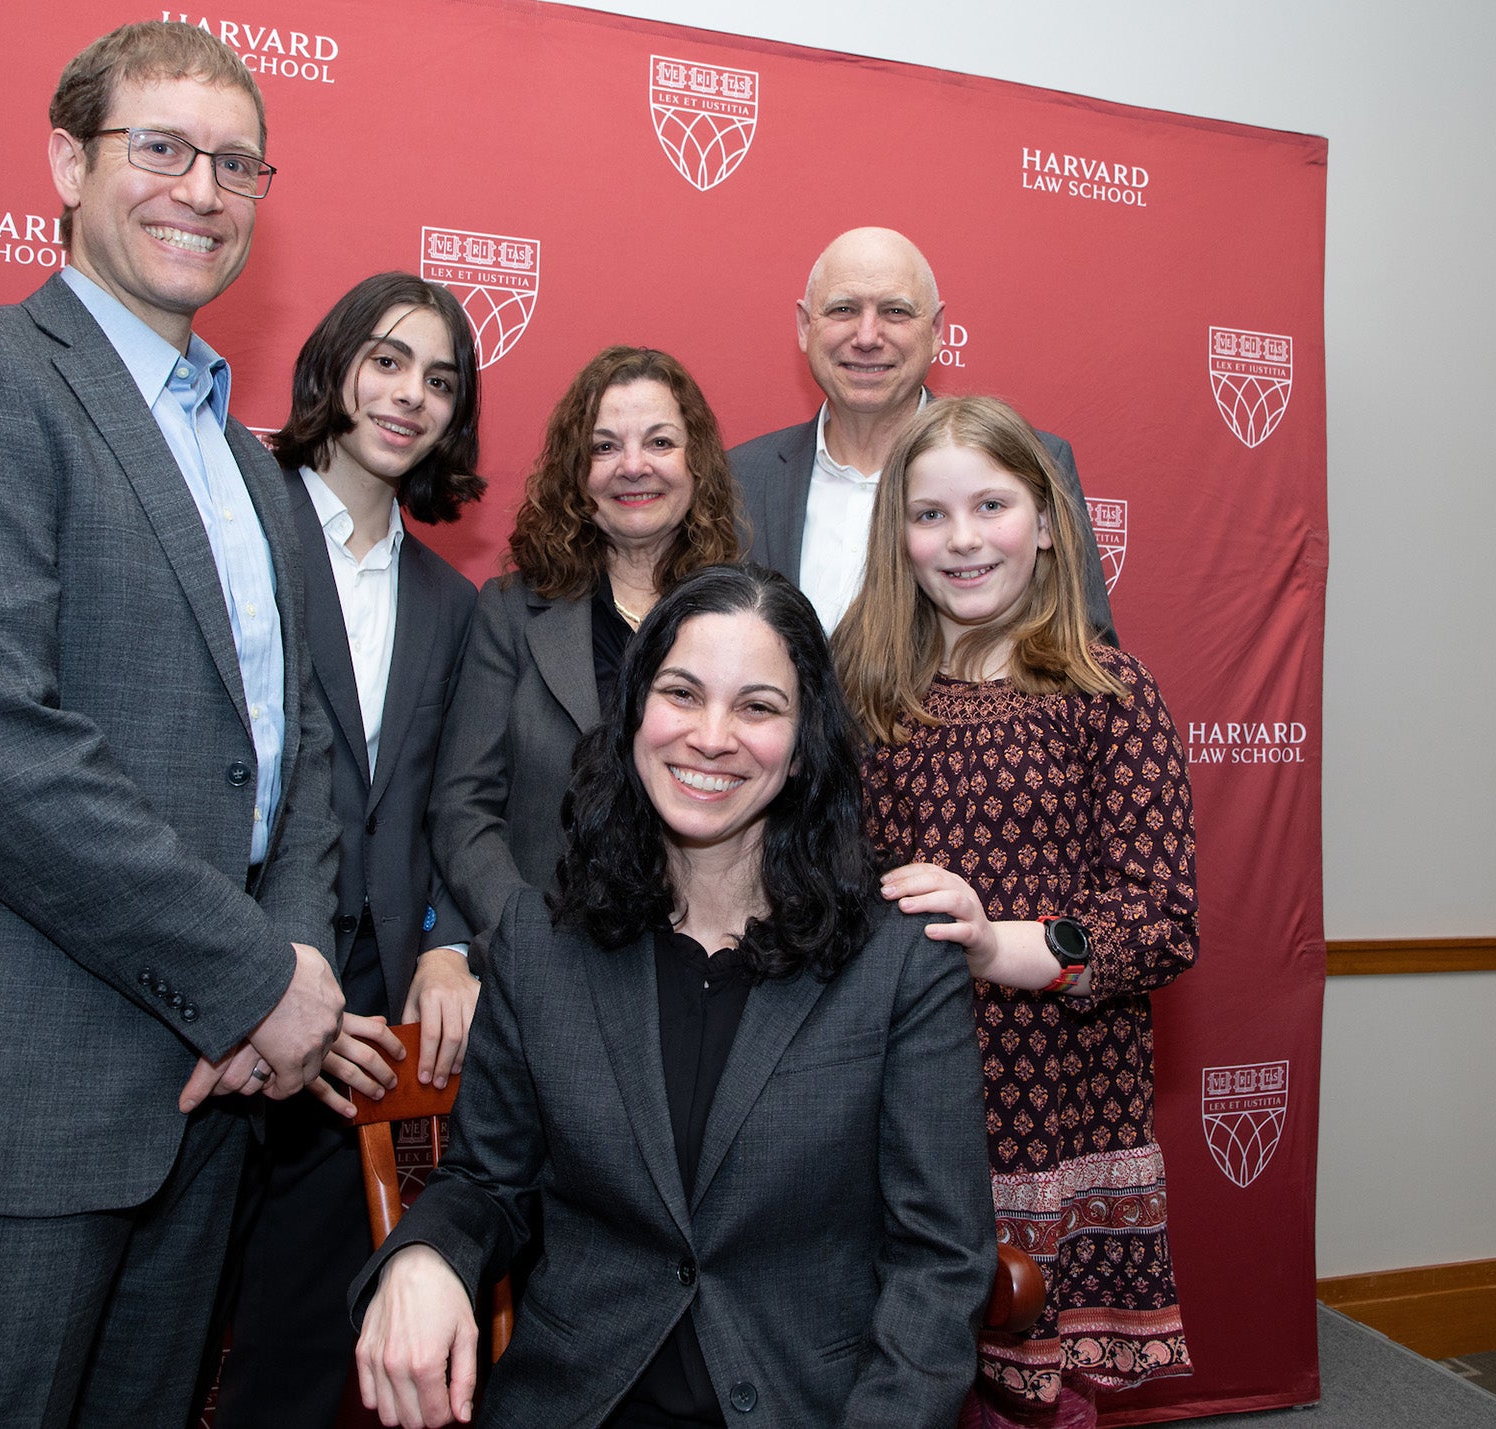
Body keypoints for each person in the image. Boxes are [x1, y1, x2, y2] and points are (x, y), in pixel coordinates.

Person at [0, 23, 345, 1427]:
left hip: (212, 1105)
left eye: (234, 164)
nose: (199, 191)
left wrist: (293, 971)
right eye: (158, 148)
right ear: (64, 160)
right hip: (9, 1105)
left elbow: (308, 758)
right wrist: (251, 976)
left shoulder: (255, 466)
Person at [352, 563, 996, 1429]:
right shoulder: (543, 942)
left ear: (805, 745)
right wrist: (423, 1256)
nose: (712, 736)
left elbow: (941, 1260)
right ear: (634, 716)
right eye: (682, 693)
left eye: (759, 708)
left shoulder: (899, 960)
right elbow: (486, 1181)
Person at [837, 396, 1198, 1427]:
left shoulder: (1108, 692)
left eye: (988, 505)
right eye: (928, 514)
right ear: (895, 536)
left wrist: (997, 943)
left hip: (1056, 1112)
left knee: (1029, 1405)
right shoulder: (866, 696)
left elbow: (1163, 920)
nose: (959, 540)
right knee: (888, 1382)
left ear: (1046, 522)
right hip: (896, 1101)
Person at [216, 273, 486, 1427]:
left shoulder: (450, 599)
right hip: (219, 1003)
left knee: (291, 1361)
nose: (409, 396)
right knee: (146, 1349)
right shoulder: (235, 514)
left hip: (367, 1045)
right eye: (387, 361)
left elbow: (453, 804)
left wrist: (450, 943)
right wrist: (266, 982)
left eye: (439, 380)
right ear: (332, 365)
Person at [430, 346, 743, 953]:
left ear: (697, 462)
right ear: (576, 472)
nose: (633, 466)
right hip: (539, 954)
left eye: (659, 443)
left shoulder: (746, 617)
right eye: (604, 447)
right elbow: (463, 807)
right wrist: (528, 942)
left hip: (706, 959)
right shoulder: (512, 611)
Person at [727, 227, 1116, 642]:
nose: (867, 337)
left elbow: (1084, 650)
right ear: (806, 326)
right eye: (843, 310)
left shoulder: (1036, 463)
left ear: (935, 331)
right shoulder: (739, 477)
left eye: (896, 312)